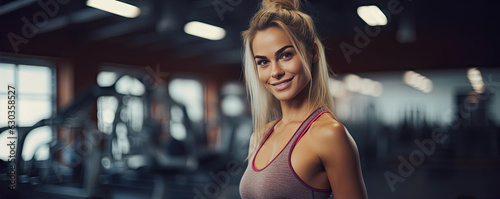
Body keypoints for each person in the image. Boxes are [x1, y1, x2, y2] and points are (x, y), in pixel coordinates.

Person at [238, 0, 368, 198]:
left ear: (313, 52)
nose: (275, 72)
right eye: (263, 62)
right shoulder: (259, 136)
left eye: (286, 55)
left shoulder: (329, 135)